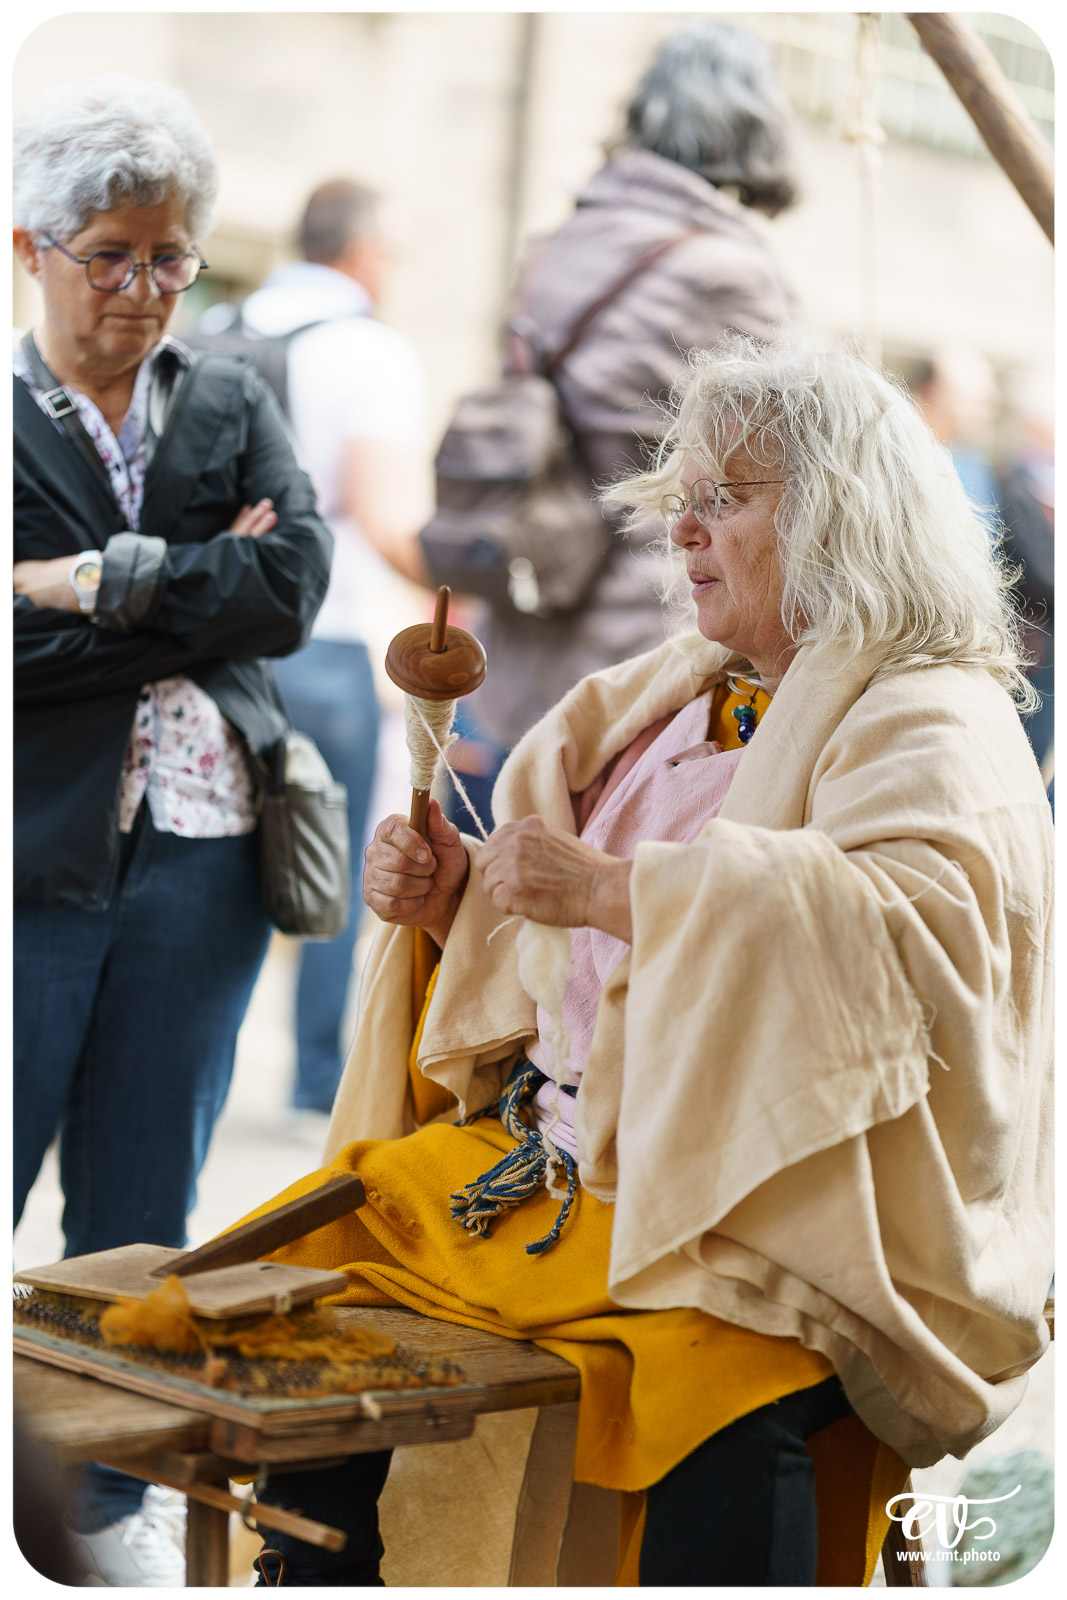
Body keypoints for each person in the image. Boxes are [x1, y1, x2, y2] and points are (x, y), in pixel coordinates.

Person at [233, 338, 1051, 1585]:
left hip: (774, 1209)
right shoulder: (670, 696)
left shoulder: (929, 712)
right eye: (683, 502)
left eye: (727, 499)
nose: (685, 531)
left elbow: (909, 946)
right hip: (559, 1167)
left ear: (839, 513)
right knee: (289, 1298)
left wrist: (615, 889)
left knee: (726, 1407)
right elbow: (575, 978)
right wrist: (464, 908)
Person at [12, 73, 332, 1582]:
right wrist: (200, 582)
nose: (141, 289)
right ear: (32, 250)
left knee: (142, 1211)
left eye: (169, 256)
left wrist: (93, 582)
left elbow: (298, 589)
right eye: (109, 256)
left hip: (204, 860)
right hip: (34, 856)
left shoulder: (229, 397)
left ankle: (99, 1514)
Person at [461, 18, 798, 761]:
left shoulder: (558, 244)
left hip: (521, 619)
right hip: (641, 641)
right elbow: (793, 456)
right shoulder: (727, 271)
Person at [204, 179, 429, 1114]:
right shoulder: (368, 351)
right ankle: (313, 1083)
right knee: (332, 866)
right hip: (321, 643)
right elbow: (381, 517)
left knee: (211, 856)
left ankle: (195, 1062)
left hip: (212, 641)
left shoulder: (210, 329)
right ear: (366, 253)